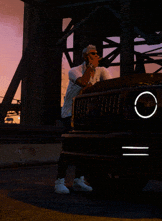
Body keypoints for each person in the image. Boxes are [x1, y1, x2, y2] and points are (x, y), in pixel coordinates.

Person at [55, 44, 112, 194]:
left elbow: (109, 88)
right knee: (69, 147)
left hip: (88, 115)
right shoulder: (74, 71)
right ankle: (59, 181)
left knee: (85, 148)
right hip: (70, 114)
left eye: (97, 53)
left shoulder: (103, 71)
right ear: (86, 57)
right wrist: (91, 68)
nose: (97, 56)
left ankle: (78, 180)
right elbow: (83, 83)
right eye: (93, 54)